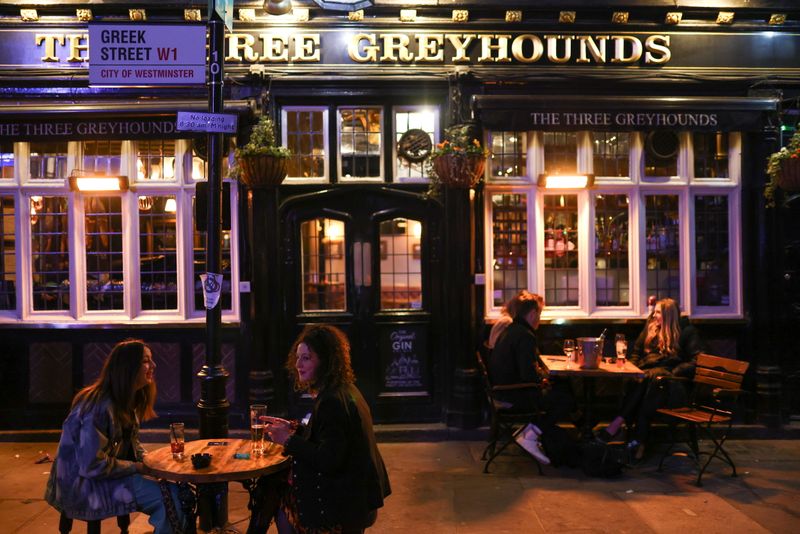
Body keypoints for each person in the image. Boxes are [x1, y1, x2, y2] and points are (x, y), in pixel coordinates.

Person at [45, 339, 183, 533]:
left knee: (181, 491)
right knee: (173, 499)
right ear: (128, 368)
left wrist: (152, 462)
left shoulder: (125, 398)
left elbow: (131, 444)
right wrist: (137, 467)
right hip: (84, 485)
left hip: (102, 476)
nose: (153, 365)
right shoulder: (97, 407)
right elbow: (91, 465)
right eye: (146, 361)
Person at [263, 324, 391, 534]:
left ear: (326, 361)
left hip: (347, 507)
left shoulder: (332, 402)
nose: (298, 365)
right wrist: (294, 429)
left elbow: (328, 460)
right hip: (359, 497)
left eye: (306, 358)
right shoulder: (343, 389)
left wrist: (288, 440)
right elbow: (330, 437)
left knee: (275, 498)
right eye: (298, 357)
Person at [602, 298, 704, 459]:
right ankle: (637, 441)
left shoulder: (686, 332)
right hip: (649, 381)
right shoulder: (650, 328)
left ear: (668, 315)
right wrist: (632, 369)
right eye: (654, 311)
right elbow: (636, 352)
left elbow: (697, 360)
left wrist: (675, 372)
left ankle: (619, 425)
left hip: (672, 386)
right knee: (646, 379)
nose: (654, 315)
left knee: (655, 377)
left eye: (658, 312)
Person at [489, 293, 575, 465]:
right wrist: (543, 378)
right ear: (533, 313)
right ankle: (531, 434)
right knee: (564, 399)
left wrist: (542, 378)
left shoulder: (511, 330)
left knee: (560, 390)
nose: (540, 320)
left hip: (502, 391)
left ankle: (533, 433)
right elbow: (527, 374)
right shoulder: (525, 336)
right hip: (514, 394)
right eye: (540, 314)